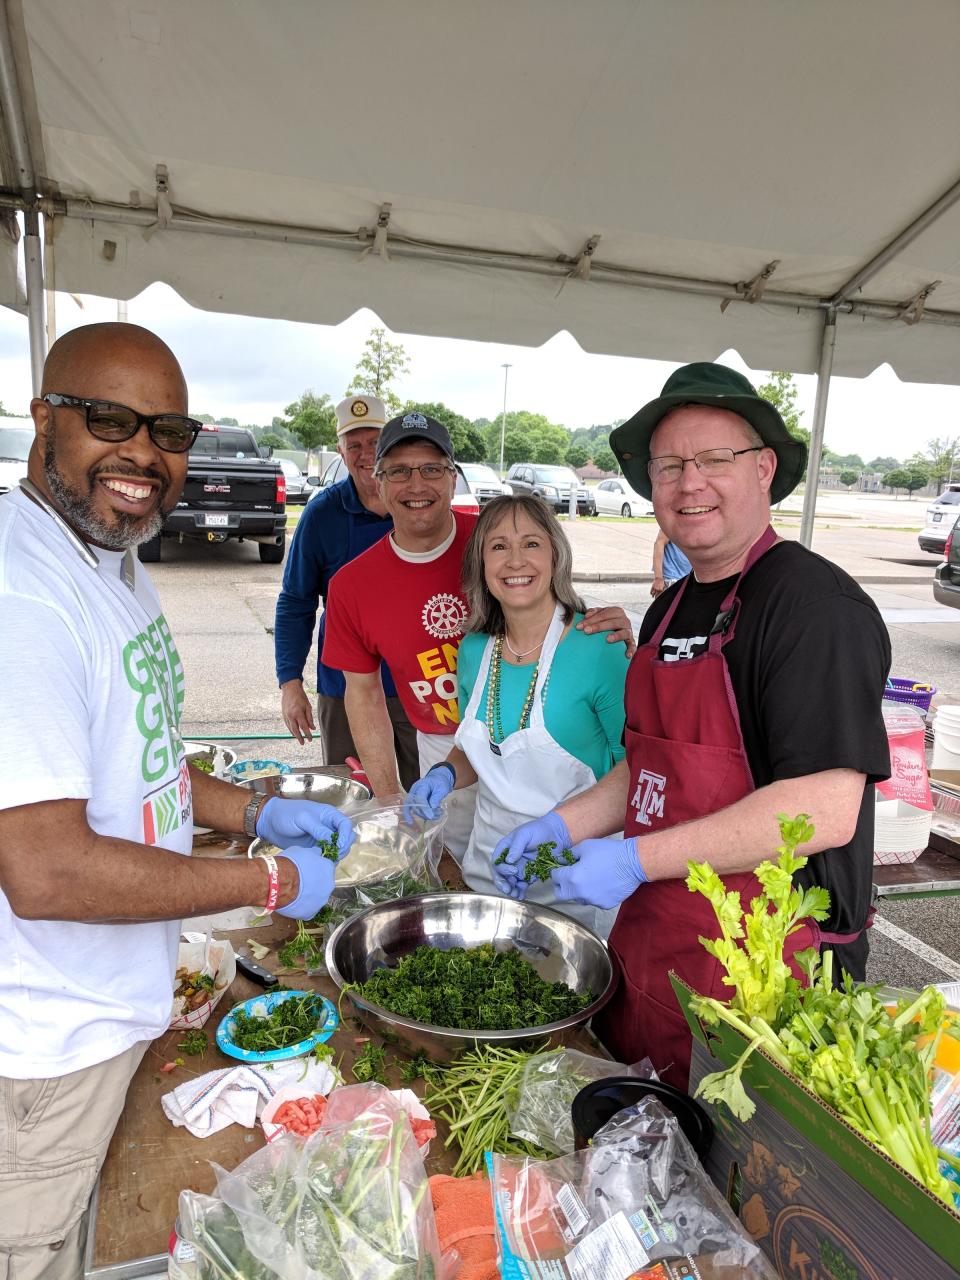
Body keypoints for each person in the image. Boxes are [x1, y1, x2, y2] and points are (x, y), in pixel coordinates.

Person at [0, 323, 355, 1280]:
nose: (144, 454)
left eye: (169, 430)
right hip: (41, 1046)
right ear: (45, 421)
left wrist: (251, 808)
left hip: (108, 1009)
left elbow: (139, 754)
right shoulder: (23, 594)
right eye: (110, 420)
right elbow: (45, 868)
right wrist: (269, 878)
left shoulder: (107, 562)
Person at [493, 362, 891, 1088]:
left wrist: (631, 861)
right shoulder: (672, 606)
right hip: (655, 943)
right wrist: (565, 825)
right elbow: (649, 768)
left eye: (714, 460)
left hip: (769, 976)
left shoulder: (815, 609)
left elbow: (826, 809)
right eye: (670, 465)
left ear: (765, 468)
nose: (688, 483)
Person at [323, 412, 635, 862]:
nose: (416, 485)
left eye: (432, 468)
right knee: (459, 863)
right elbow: (363, 695)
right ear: (378, 481)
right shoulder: (356, 587)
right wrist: (394, 798)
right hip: (450, 750)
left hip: (566, 772)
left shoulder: (491, 532)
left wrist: (607, 627)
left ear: (453, 479)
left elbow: (550, 600)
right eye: (398, 471)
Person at [405, 494, 629, 935]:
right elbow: (483, 748)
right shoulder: (473, 651)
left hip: (575, 883)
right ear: (481, 565)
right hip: (488, 873)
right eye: (498, 546)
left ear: (555, 556)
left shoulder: (599, 648)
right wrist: (445, 775)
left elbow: (636, 774)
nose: (515, 560)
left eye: (531, 544)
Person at [274, 395, 419, 788]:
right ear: (339, 449)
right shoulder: (322, 514)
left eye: (375, 442)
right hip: (344, 692)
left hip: (420, 687)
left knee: (426, 804)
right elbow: (295, 602)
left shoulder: (418, 505)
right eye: (353, 444)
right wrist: (290, 682)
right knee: (354, 800)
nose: (365, 454)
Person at [651, 526, 691, 597]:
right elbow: (659, 543)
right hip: (671, 580)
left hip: (691, 580)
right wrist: (658, 578)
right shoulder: (674, 521)